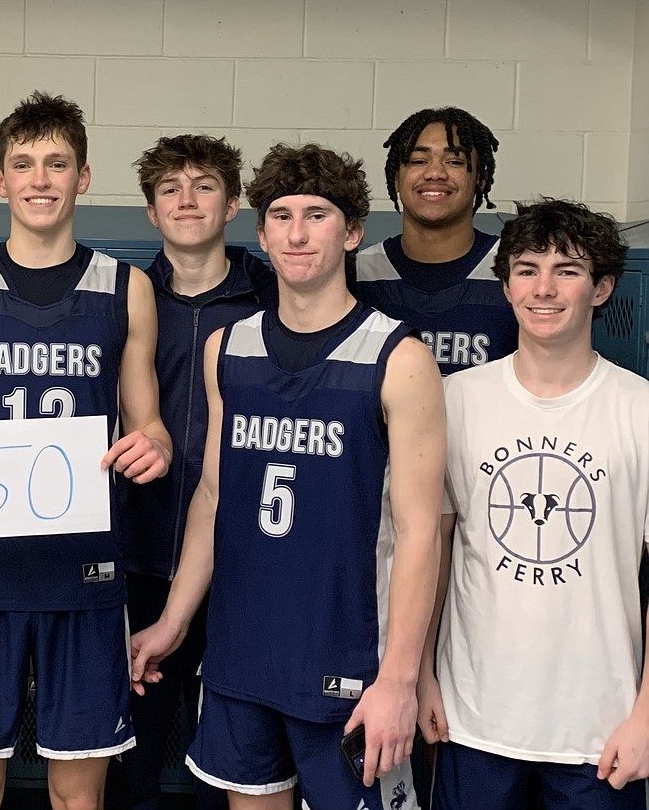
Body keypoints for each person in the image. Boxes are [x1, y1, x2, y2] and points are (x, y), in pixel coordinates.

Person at [132, 143, 446, 810]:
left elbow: (422, 532)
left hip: (350, 663)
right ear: (262, 232)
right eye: (281, 216)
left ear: (352, 232)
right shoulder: (228, 348)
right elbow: (213, 496)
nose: (297, 233)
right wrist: (172, 621)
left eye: (317, 215)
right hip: (242, 655)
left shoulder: (399, 357)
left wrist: (400, 678)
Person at [0, 91, 172, 810]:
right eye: (23, 164)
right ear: (0, 180)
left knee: (79, 794)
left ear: (84, 177)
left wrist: (154, 446)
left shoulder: (126, 288)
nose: (40, 179)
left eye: (57, 163)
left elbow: (148, 421)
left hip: (84, 573)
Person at [418, 198, 649, 809]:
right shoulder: (455, 400)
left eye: (566, 271)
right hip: (473, 721)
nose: (543, 289)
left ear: (602, 288)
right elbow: (430, 548)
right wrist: (420, 676)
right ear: (507, 286)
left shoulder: (640, 410)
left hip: (601, 734)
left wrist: (647, 715)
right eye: (526, 269)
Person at [107, 134, 277, 810]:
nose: (186, 200)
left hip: (241, 565)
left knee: (230, 765)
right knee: (132, 759)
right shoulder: (126, 298)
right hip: (139, 556)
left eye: (204, 185)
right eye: (169, 189)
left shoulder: (273, 296)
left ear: (232, 205)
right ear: (151, 211)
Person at [353, 106, 516, 375]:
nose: (435, 173)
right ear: (396, 177)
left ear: (481, 178)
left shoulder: (517, 271)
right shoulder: (357, 275)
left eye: (455, 162)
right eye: (418, 161)